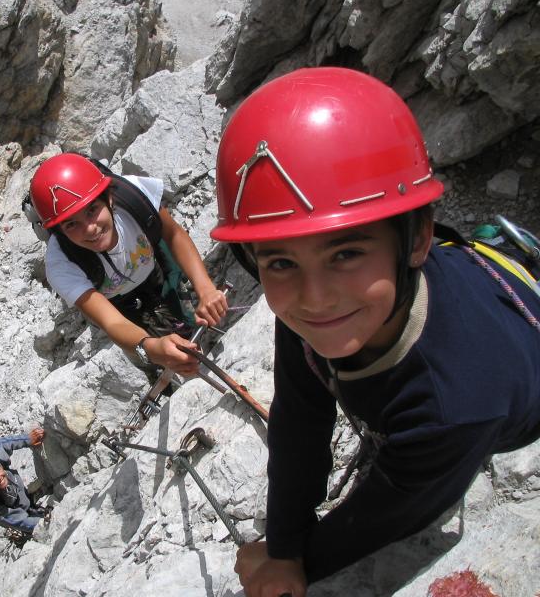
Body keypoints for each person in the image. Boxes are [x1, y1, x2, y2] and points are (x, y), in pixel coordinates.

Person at [209, 67, 540, 596]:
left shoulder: (454, 407)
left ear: (415, 241)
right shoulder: (314, 308)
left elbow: (397, 510)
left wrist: (297, 564)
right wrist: (284, 543)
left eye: (346, 252)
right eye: (279, 263)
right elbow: (301, 418)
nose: (314, 297)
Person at [29, 153, 228, 377]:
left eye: (92, 210)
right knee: (152, 352)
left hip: (156, 268)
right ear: (60, 232)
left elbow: (173, 235)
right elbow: (111, 321)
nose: (90, 229)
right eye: (72, 224)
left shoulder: (133, 195)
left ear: (109, 199)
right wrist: (153, 349)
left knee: (184, 315)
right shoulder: (61, 264)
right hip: (120, 303)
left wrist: (205, 289)